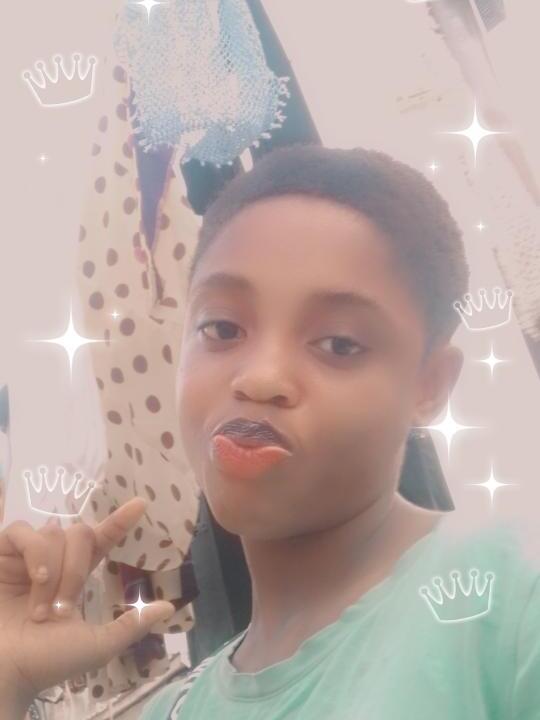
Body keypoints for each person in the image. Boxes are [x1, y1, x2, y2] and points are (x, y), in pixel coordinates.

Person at [0, 145, 538, 720]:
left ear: (429, 385)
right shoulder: (174, 710)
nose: (259, 378)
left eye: (338, 344)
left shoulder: (510, 596)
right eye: (222, 328)